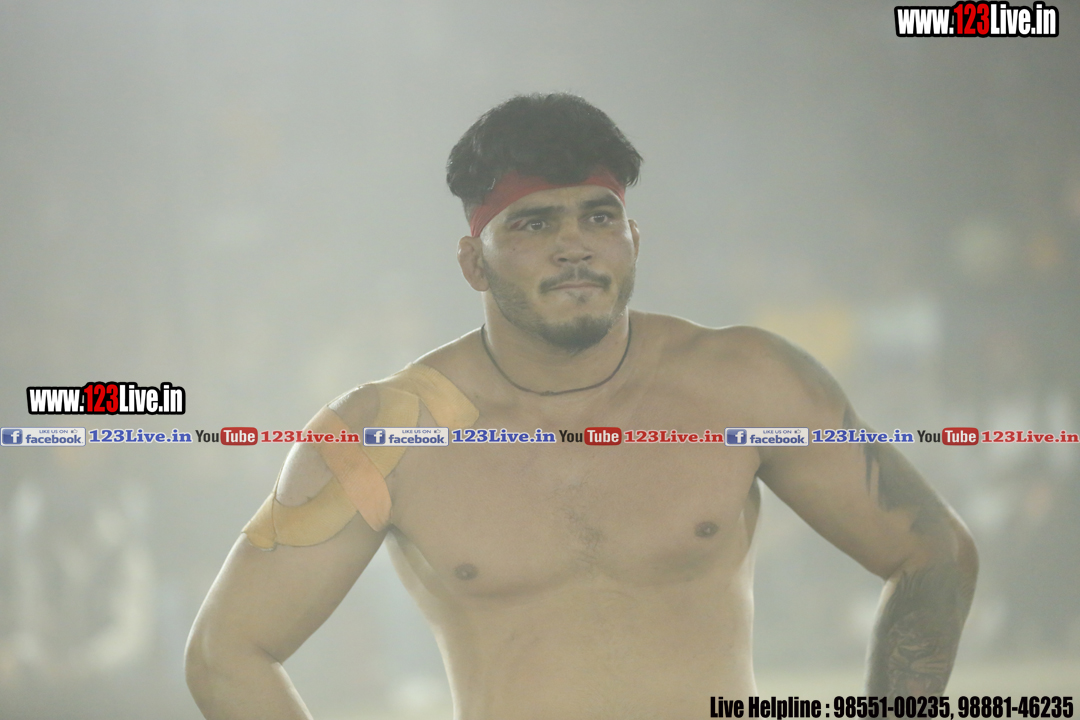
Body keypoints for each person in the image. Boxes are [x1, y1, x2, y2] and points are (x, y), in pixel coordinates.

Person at [185, 93, 977, 720]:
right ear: (472, 262)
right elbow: (226, 653)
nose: (575, 244)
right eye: (534, 224)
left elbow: (933, 553)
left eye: (598, 216)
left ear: (633, 237)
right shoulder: (385, 434)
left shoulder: (744, 381)